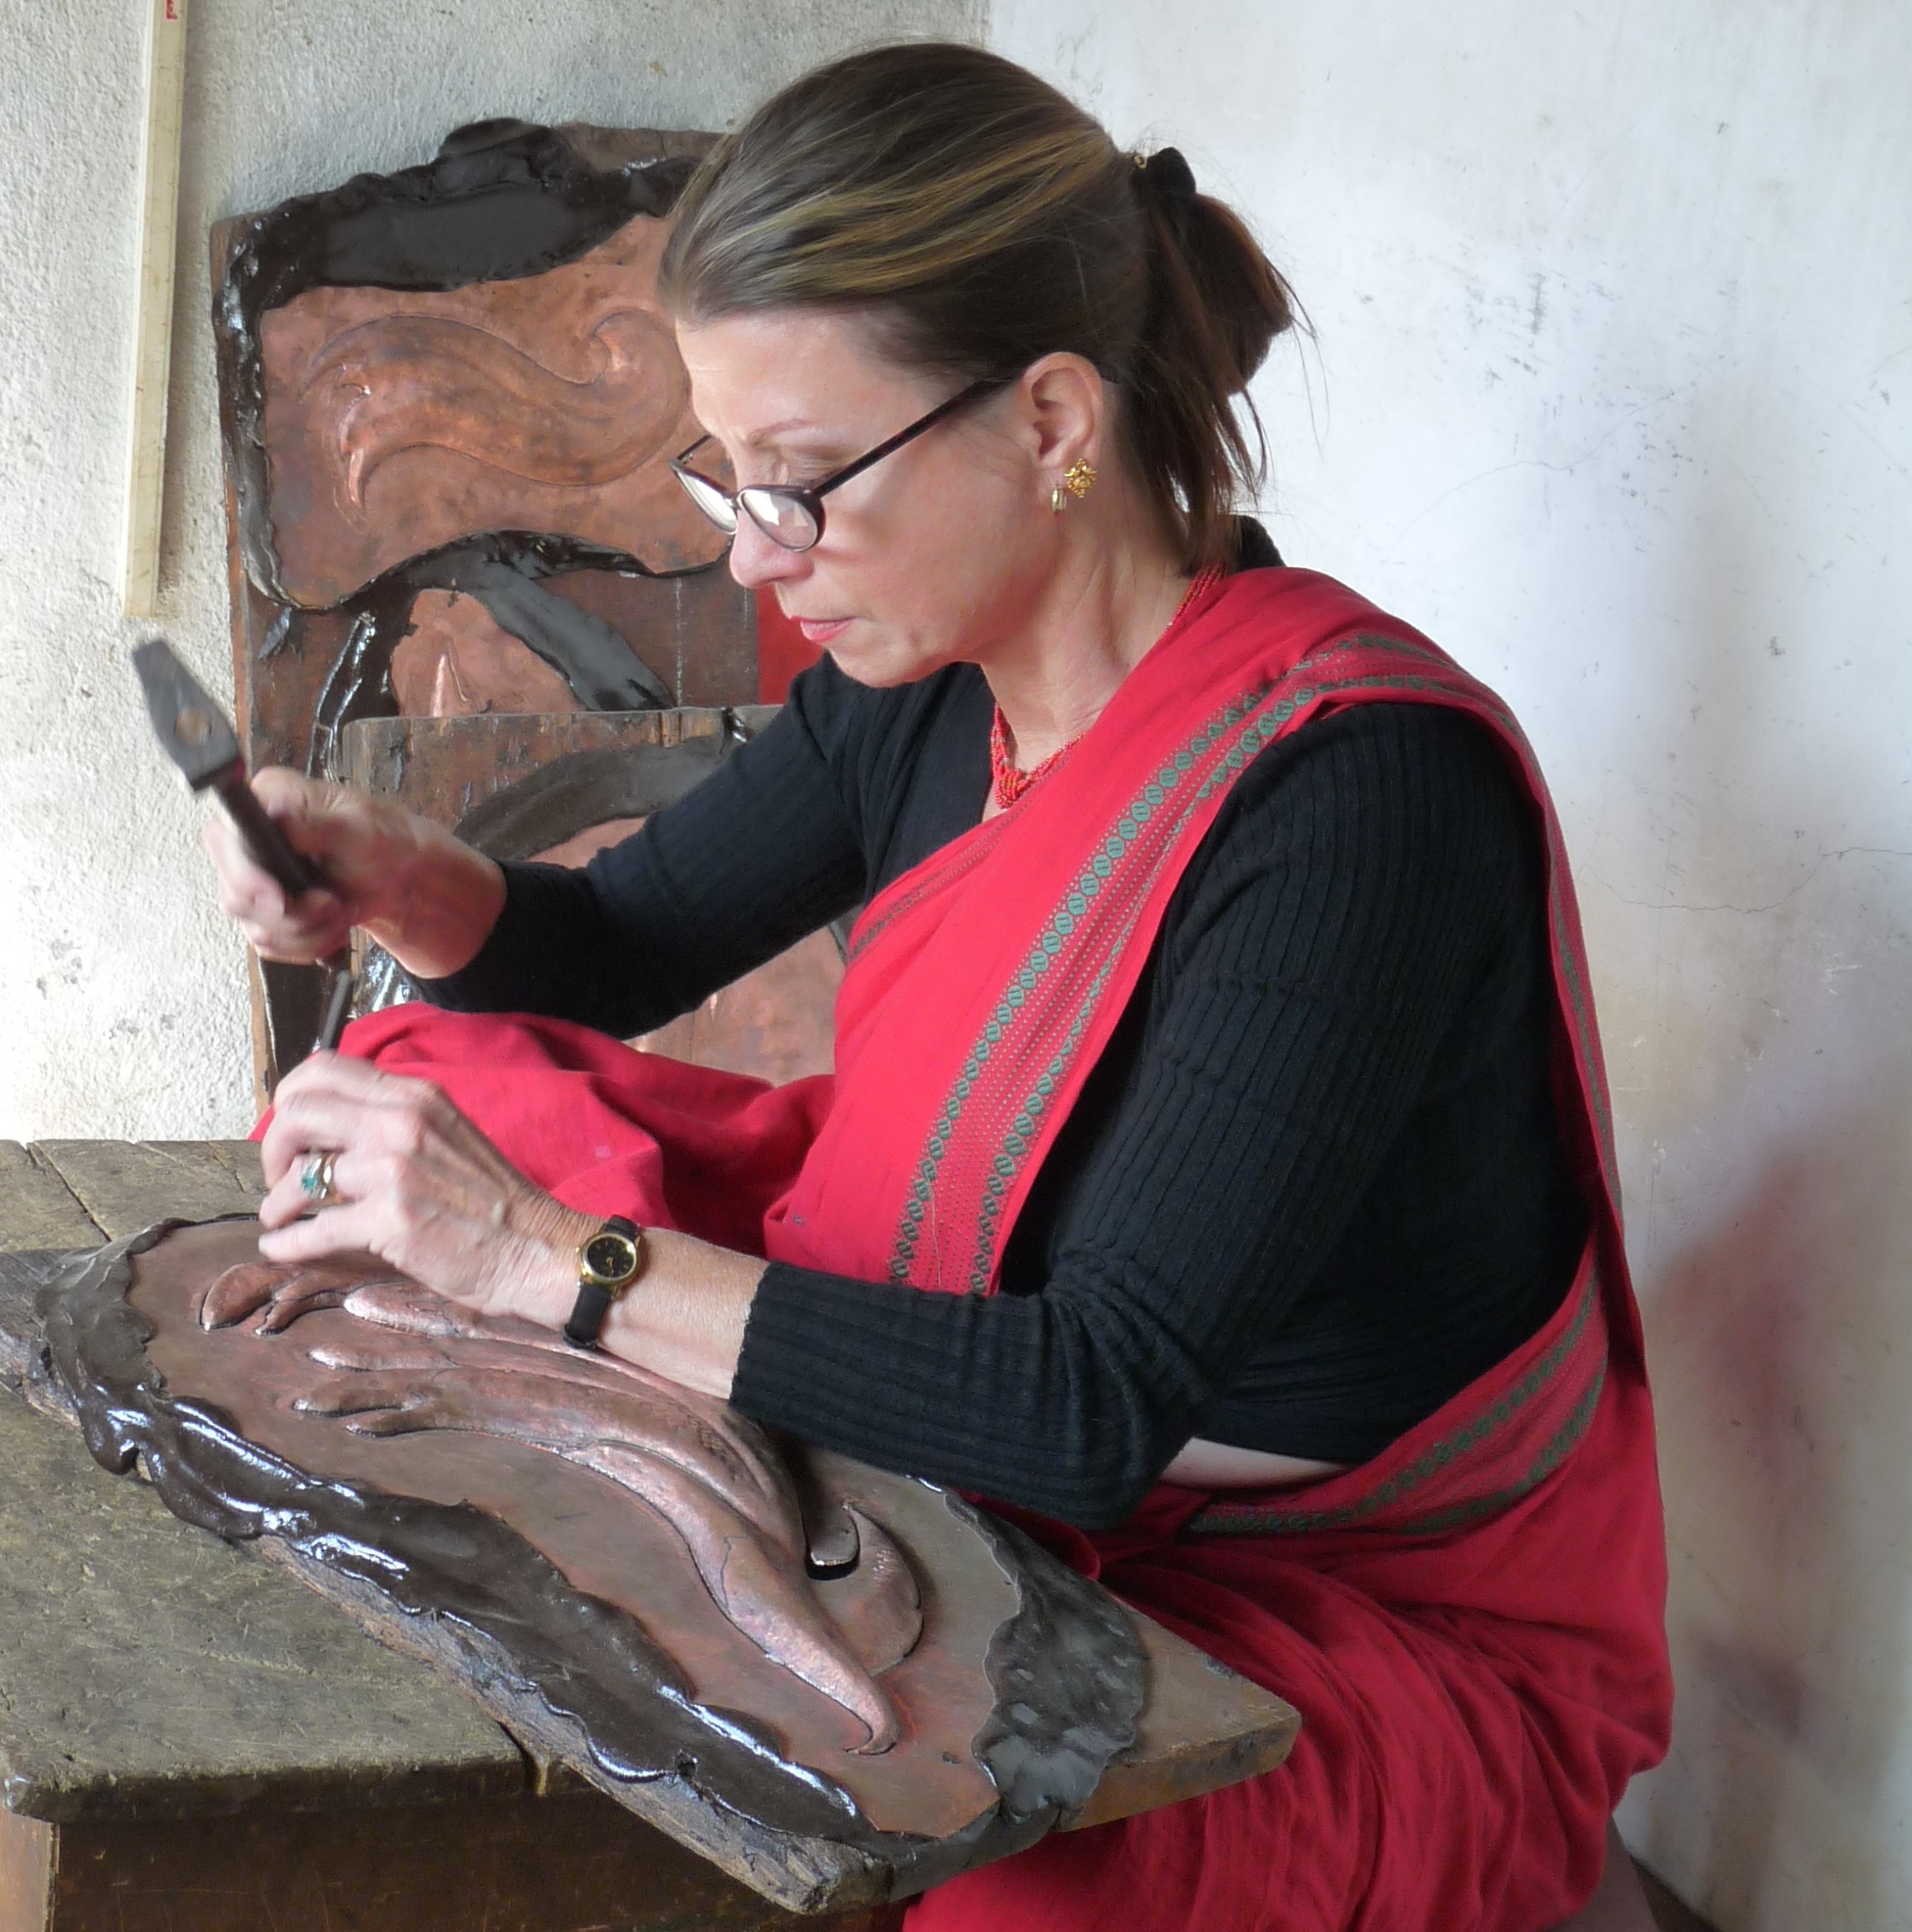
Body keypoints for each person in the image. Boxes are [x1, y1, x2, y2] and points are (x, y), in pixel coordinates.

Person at [205, 43, 1672, 1932]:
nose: (755, 554)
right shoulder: (923, 683)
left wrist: (539, 1263)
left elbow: (1089, 1406)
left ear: (1053, 417)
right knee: (434, 1062)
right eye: (724, 479)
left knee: (980, 1878)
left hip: (1302, 1601)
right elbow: (619, 952)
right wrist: (417, 882)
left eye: (803, 482)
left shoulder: (1353, 800)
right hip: (965, 1441)